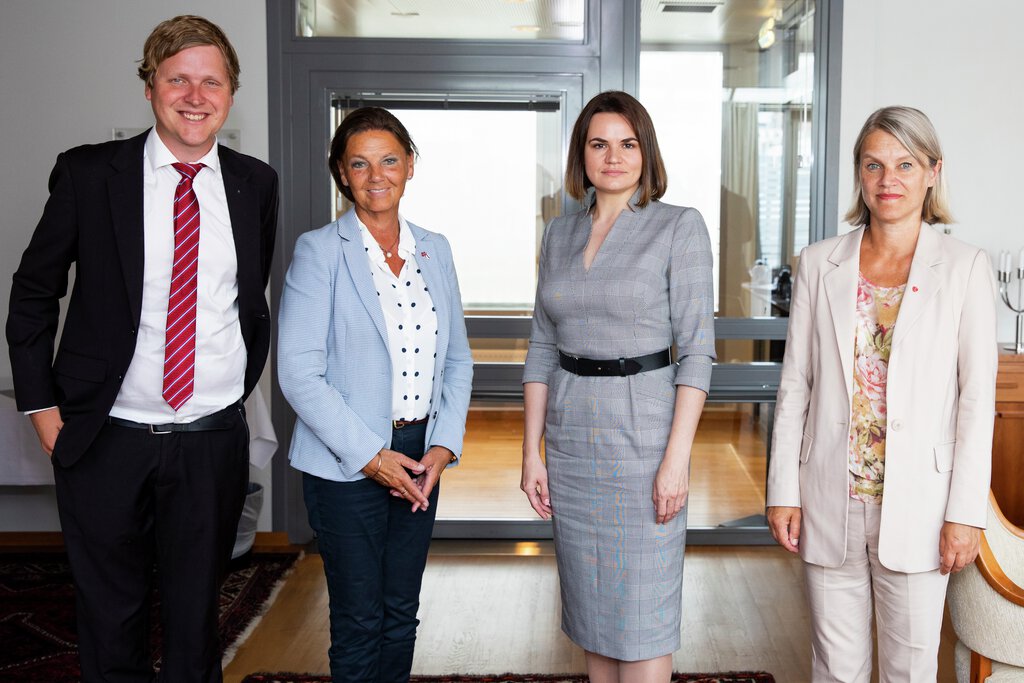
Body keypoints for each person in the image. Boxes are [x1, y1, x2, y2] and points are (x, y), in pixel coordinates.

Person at [5, 15, 279, 683]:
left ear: (231, 93)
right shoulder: (89, 174)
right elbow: (33, 294)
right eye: (177, 78)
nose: (195, 94)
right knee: (110, 613)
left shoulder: (255, 184)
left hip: (210, 436)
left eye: (210, 80)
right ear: (150, 88)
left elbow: (246, 302)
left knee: (194, 619)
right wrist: (42, 409)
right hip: (105, 436)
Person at [767, 106, 998, 682]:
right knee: (834, 667)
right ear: (859, 175)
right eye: (873, 165)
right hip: (829, 497)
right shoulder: (820, 263)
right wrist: (782, 490)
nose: (888, 180)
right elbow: (796, 383)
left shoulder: (966, 268)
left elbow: (976, 401)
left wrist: (966, 513)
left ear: (932, 172)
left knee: (911, 669)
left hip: (922, 505)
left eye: (904, 164)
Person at [521, 91, 715, 683]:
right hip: (572, 437)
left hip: (645, 438)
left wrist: (675, 460)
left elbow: (699, 351)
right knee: (593, 614)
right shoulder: (557, 234)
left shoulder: (678, 226)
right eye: (598, 144)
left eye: (627, 144)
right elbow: (541, 348)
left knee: (642, 615)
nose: (613, 157)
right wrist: (532, 451)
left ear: (646, 152)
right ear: (581, 156)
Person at [277, 107, 473, 683]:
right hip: (346, 465)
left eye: (389, 159)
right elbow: (297, 373)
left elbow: (457, 360)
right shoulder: (320, 251)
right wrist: (371, 456)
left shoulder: (435, 248)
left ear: (410, 165)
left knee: (400, 614)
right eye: (359, 163)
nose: (376, 174)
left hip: (420, 456)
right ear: (342, 172)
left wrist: (442, 447)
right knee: (360, 621)